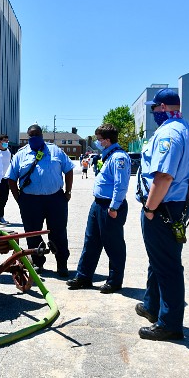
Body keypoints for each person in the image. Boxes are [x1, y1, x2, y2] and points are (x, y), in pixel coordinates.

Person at [135, 88, 189, 341]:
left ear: (163, 107)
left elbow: (163, 176)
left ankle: (170, 323)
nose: (152, 112)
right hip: (174, 205)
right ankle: (152, 305)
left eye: (154, 108)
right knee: (159, 259)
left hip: (164, 206)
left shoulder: (170, 133)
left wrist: (150, 208)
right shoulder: (183, 127)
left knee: (168, 265)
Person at [67, 124, 130, 293]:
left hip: (110, 206)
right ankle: (84, 277)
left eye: (100, 139)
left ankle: (115, 281)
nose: (98, 142)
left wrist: (114, 207)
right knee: (91, 241)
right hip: (98, 204)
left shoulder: (119, 158)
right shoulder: (108, 155)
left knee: (113, 244)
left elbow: (121, 185)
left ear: (107, 140)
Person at [7, 124, 74, 277]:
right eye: (31, 135)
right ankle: (38, 262)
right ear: (28, 137)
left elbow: (68, 170)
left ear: (42, 135)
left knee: (58, 232)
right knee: (33, 233)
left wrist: (68, 192)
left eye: (37, 134)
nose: (34, 138)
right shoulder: (20, 155)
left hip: (55, 199)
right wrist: (19, 198)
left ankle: (62, 264)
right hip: (30, 201)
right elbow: (11, 178)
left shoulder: (56, 151)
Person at [0, 134, 12, 225]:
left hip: (4, 179)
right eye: (4, 140)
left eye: (7, 141)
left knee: (4, 198)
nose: (6, 142)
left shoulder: (8, 151)